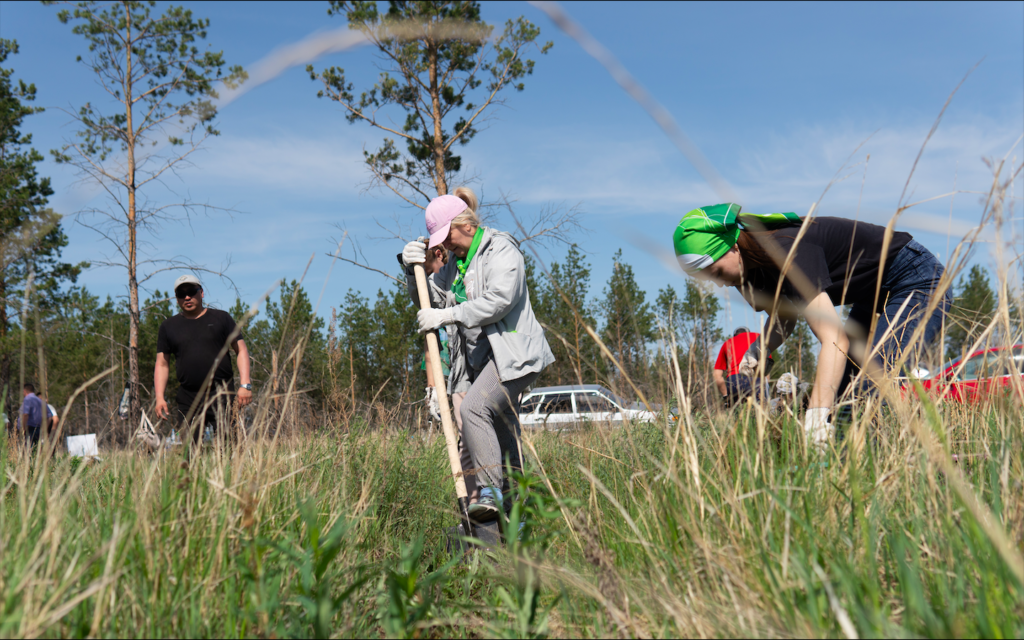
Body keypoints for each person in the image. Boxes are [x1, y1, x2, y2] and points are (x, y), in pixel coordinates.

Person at [673, 203, 950, 449]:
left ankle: (923, 469)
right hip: (871, 298)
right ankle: (846, 474)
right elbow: (786, 316)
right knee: (843, 395)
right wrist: (760, 348)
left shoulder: (785, 249)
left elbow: (834, 340)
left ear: (733, 247)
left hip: (917, 278)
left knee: (872, 380)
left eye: (717, 272)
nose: (719, 282)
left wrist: (815, 417)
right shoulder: (750, 273)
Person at [402, 187, 554, 520]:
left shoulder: (500, 247)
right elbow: (431, 301)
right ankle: (517, 513)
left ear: (467, 225)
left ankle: (490, 493)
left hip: (515, 355)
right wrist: (412, 271)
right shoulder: (454, 264)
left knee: (474, 408)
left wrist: (448, 316)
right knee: (501, 431)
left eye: (449, 235)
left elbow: (501, 300)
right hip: (479, 363)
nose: (446, 245)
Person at [154, 275, 253, 445]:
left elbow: (241, 350)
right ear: (176, 298)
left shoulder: (221, 319)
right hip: (188, 397)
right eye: (181, 294)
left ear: (201, 293)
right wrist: (160, 397)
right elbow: (162, 364)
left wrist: (245, 384)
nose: (187, 297)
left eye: (191, 292)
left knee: (228, 448)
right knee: (189, 453)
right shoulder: (168, 327)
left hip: (222, 394)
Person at [713, 326, 770, 406]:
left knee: (738, 413)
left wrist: (726, 396)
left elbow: (717, 375)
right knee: (760, 411)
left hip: (734, 380)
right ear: (748, 332)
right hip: (756, 377)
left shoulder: (728, 343)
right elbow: (766, 366)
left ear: (735, 335)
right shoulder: (759, 337)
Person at [19, 382, 46, 448]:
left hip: (29, 429)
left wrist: (23, 428)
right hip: (38, 429)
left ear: (24, 391)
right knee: (36, 449)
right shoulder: (40, 400)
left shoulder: (27, 399)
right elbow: (49, 415)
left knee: (28, 450)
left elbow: (25, 414)